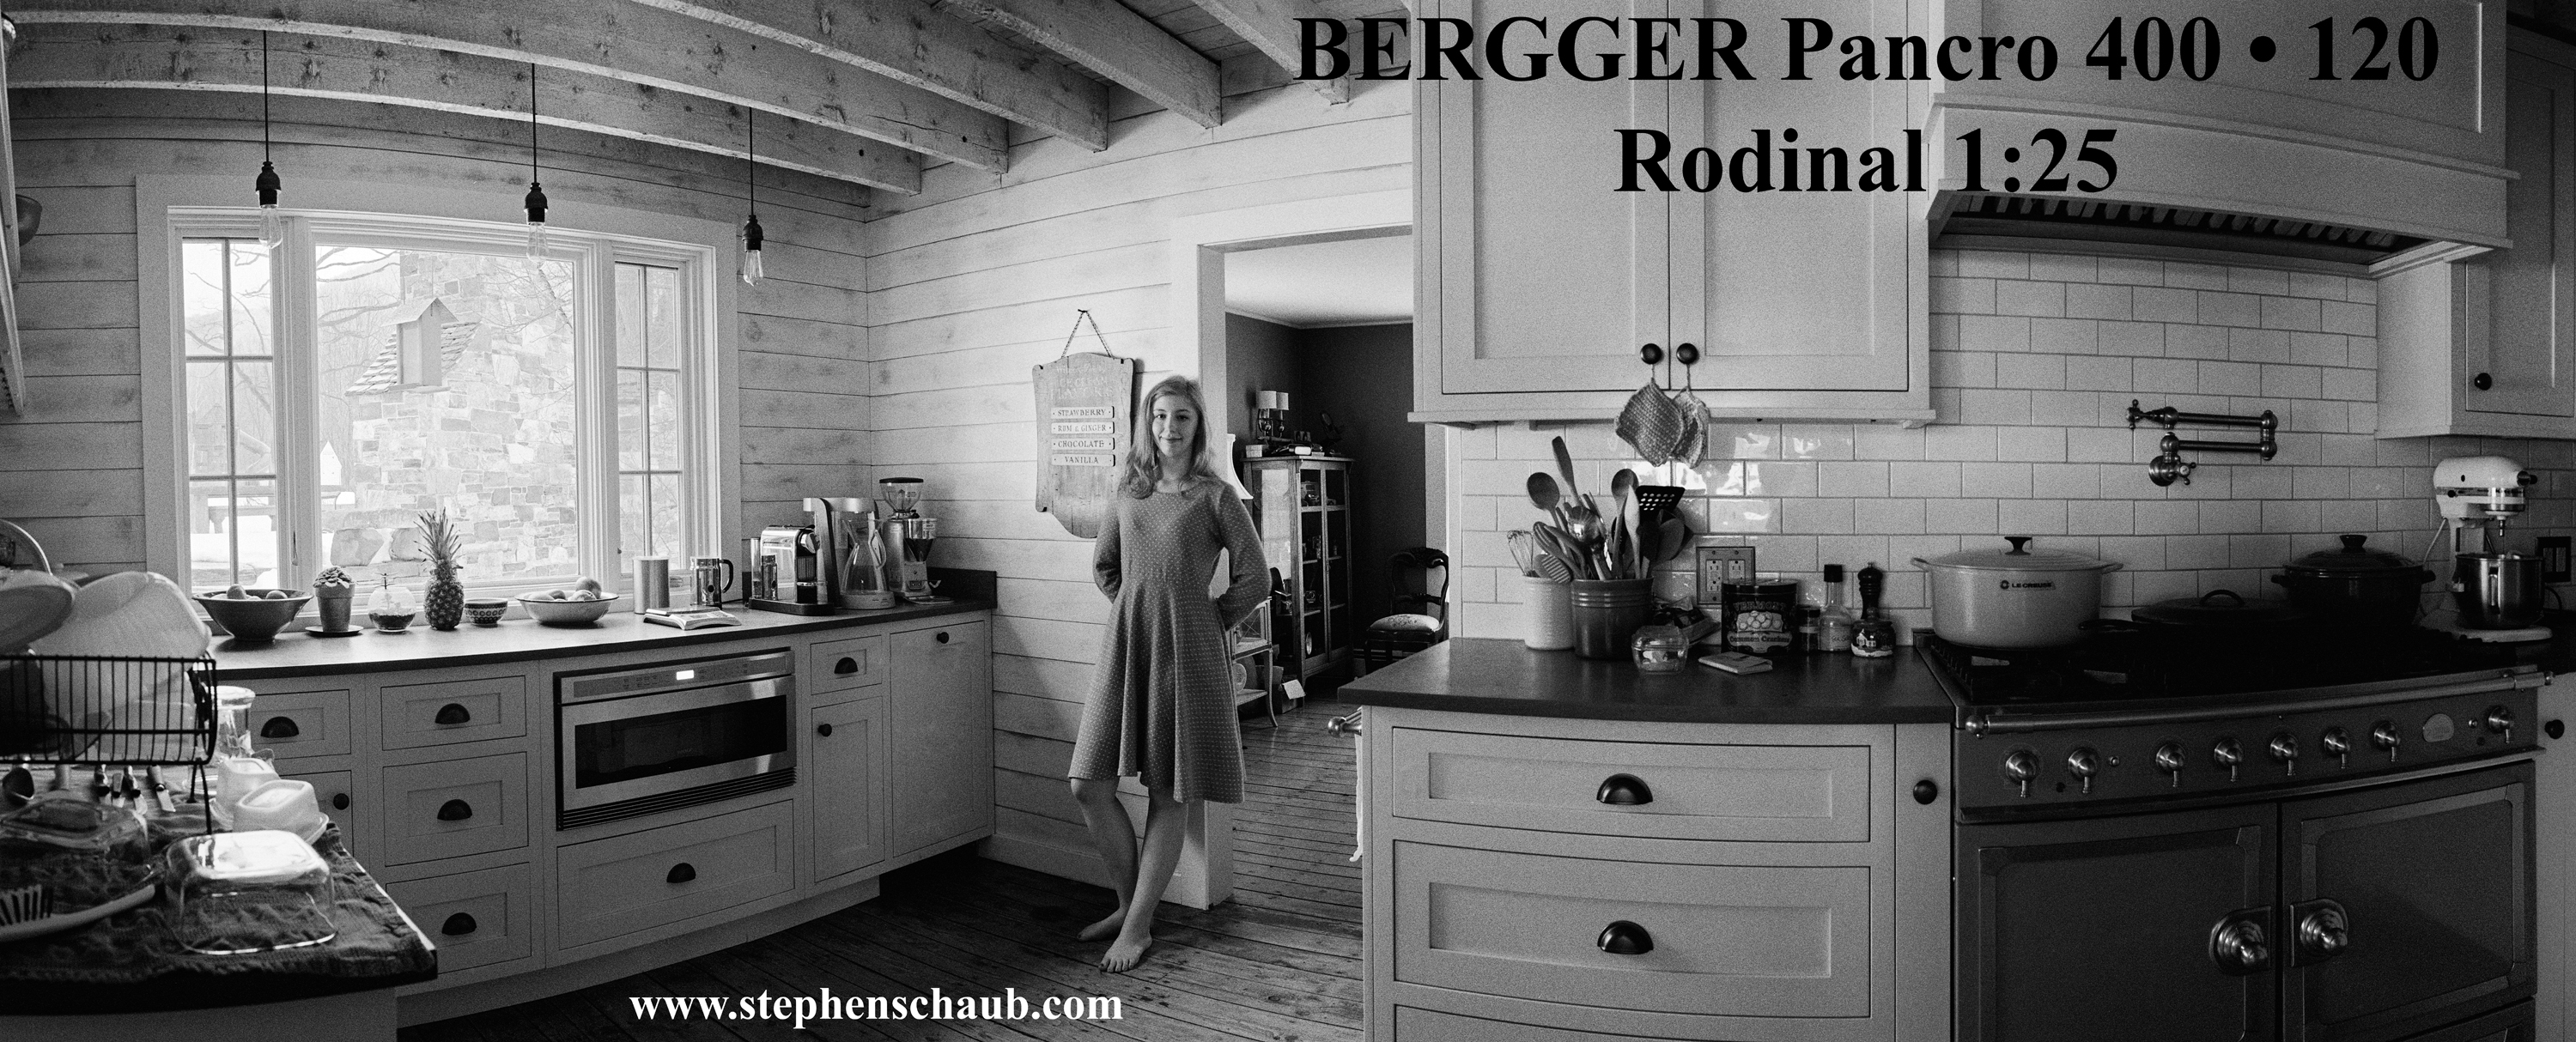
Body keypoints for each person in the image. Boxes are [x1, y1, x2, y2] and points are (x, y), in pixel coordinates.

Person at [1066, 375, 1269, 972]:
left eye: (1181, 417)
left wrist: (1205, 621)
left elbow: (1256, 578)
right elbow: (1106, 567)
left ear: (1197, 424)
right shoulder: (1129, 489)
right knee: (1087, 784)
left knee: (1168, 788)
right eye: (1159, 416)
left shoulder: (1215, 497)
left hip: (1189, 653)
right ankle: (1130, 908)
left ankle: (1136, 927)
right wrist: (1138, 613)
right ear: (1147, 423)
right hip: (1128, 647)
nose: (1168, 428)